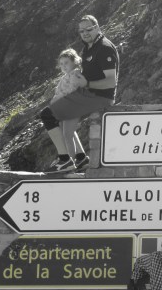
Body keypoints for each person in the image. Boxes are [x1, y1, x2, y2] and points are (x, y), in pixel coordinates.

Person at [40, 15, 119, 173]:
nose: (85, 33)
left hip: (98, 97)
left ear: (97, 27)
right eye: (81, 31)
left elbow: (111, 82)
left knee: (47, 115)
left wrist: (87, 84)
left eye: (88, 29)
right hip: (87, 94)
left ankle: (65, 160)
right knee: (62, 121)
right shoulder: (89, 47)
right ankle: (81, 158)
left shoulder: (104, 48)